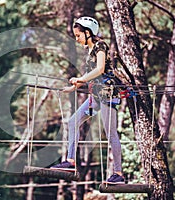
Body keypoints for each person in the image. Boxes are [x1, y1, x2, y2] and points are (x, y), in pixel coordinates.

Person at [50, 16, 124, 184]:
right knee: (73, 121)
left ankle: (118, 173)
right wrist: (72, 87)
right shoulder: (89, 52)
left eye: (78, 35)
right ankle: (70, 161)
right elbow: (91, 78)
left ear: (88, 32)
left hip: (107, 96)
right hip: (95, 98)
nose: (77, 39)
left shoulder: (100, 46)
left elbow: (100, 69)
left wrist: (80, 79)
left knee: (110, 133)